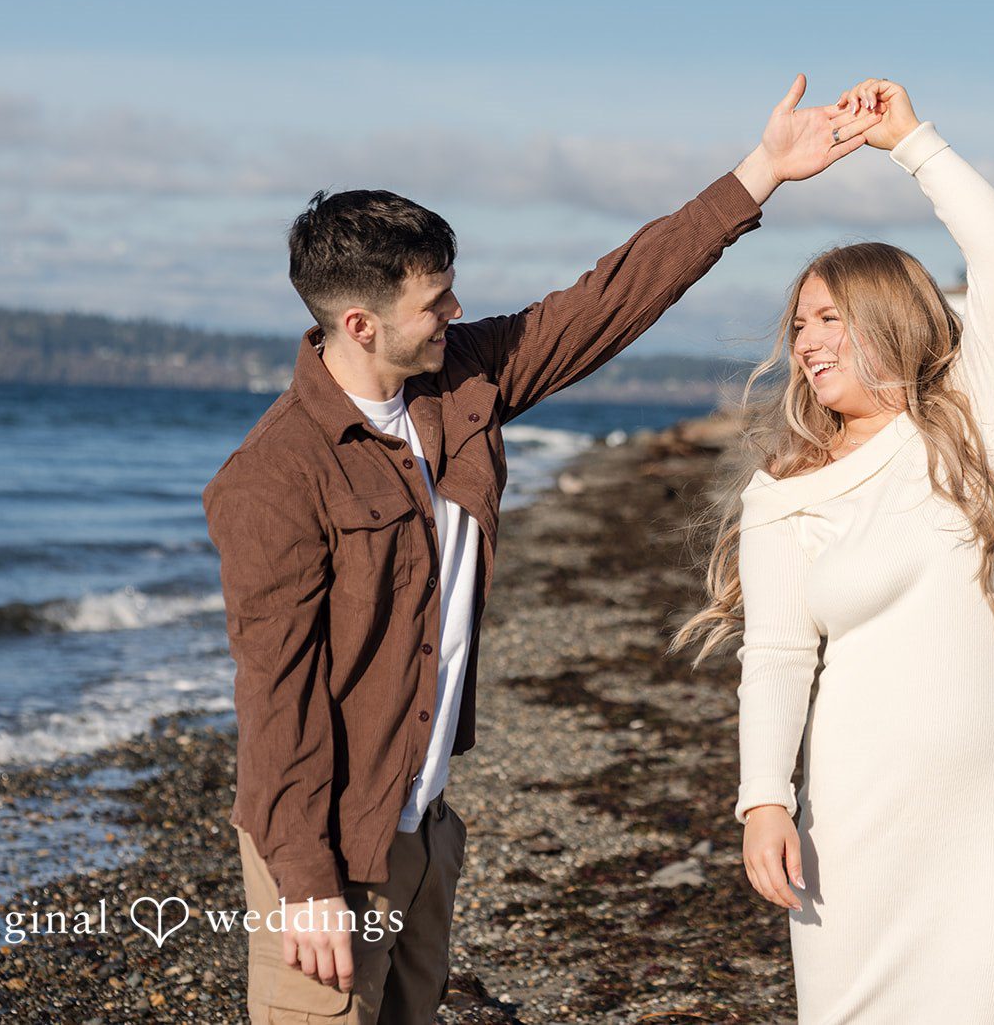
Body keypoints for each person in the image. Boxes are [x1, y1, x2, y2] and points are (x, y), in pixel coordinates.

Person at [201, 75, 878, 1024]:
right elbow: (278, 696)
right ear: (360, 325)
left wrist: (761, 172)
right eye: (435, 301)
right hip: (324, 849)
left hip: (422, 830)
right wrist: (307, 881)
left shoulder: (457, 381)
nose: (456, 310)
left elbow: (606, 301)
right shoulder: (273, 475)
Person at [672, 78, 994, 1023]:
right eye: (800, 321)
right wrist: (763, 799)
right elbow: (775, 658)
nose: (807, 340)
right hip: (857, 817)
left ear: (891, 315)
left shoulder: (977, 423)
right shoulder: (782, 493)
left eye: (829, 316)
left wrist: (913, 143)